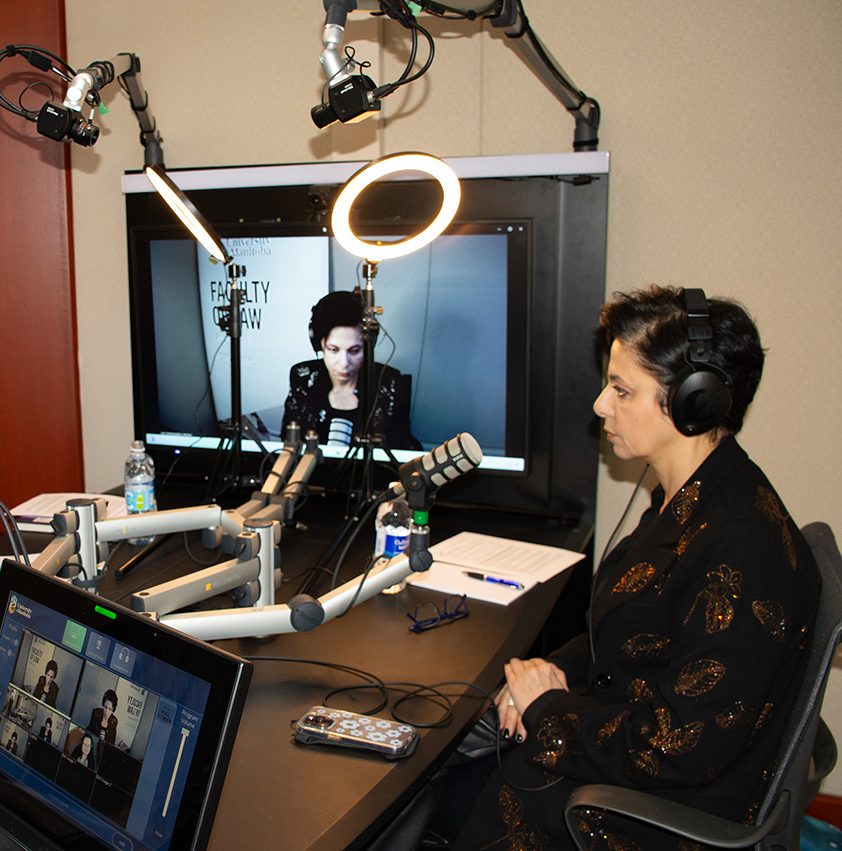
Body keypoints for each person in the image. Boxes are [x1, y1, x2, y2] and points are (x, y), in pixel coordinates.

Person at [445, 286, 819, 850]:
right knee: (445, 766)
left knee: (438, 799)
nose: (600, 405)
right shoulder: (691, 497)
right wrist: (540, 674)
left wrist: (547, 707)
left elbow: (674, 746)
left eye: (622, 390)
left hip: (653, 810)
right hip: (626, 751)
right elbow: (626, 633)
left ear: (696, 404)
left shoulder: (741, 546)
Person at [280, 290, 416, 450]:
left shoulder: (390, 384)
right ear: (319, 344)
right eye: (333, 350)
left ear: (368, 346)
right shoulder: (303, 376)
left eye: (354, 351)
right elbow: (289, 440)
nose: (344, 364)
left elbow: (398, 450)